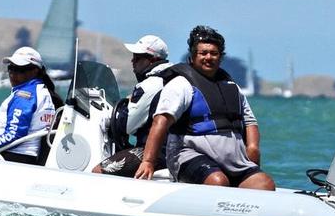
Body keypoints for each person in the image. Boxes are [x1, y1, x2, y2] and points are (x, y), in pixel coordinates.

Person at [135, 26, 275, 190]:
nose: (209, 57)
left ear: (220, 57)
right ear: (193, 56)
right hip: (188, 156)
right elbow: (161, 122)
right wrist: (148, 162)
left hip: (233, 160)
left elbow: (250, 121)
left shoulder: (232, 87)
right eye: (203, 53)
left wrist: (252, 148)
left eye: (214, 53)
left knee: (265, 184)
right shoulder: (181, 85)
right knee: (218, 181)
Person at [93, 34, 172, 177]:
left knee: (98, 171)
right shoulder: (173, 79)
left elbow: (127, 125)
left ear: (152, 60)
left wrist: (123, 110)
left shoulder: (150, 85)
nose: (132, 61)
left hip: (156, 152)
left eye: (137, 58)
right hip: (175, 149)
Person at [0, 46, 63, 164]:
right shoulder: (44, 91)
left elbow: (13, 135)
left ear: (34, 71)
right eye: (11, 68)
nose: (13, 74)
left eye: (20, 70)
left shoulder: (25, 95)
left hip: (14, 156)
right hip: (29, 157)